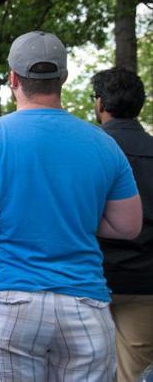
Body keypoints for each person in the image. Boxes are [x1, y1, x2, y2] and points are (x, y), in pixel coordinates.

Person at [0, 32, 143, 381]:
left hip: (11, 300)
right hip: (84, 305)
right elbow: (128, 226)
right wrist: (80, 217)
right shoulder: (103, 144)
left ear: (13, 78)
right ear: (63, 77)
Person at [92, 67, 153, 382]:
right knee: (134, 374)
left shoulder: (86, 150)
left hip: (93, 280)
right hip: (145, 282)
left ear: (100, 104)